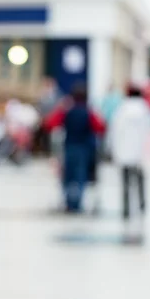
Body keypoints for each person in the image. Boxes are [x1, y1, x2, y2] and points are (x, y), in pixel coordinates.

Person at [45, 84, 105, 212]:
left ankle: (69, 202)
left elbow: (50, 124)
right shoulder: (89, 113)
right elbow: (101, 128)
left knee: (68, 176)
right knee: (80, 176)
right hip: (85, 149)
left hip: (69, 147)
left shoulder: (66, 111)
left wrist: (61, 108)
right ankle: (77, 202)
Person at [108, 85, 150, 220]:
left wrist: (112, 148)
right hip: (140, 152)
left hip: (124, 151)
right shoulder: (146, 110)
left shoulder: (121, 110)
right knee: (140, 179)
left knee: (125, 181)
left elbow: (113, 131)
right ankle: (142, 205)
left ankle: (126, 209)